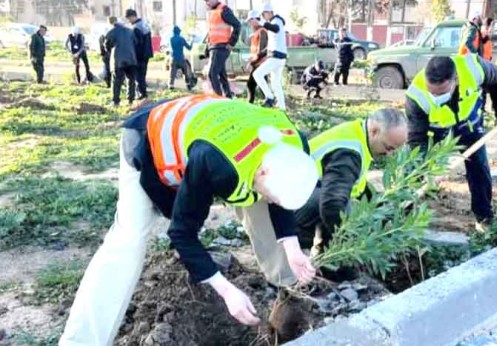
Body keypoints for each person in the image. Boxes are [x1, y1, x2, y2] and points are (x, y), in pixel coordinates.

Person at [59, 95, 319, 346]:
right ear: (262, 170)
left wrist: (293, 248)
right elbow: (183, 233)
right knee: (129, 240)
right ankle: (81, 341)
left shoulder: (295, 148)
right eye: (275, 196)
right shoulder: (215, 161)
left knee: (265, 201)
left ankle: (288, 294)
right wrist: (227, 291)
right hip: (150, 138)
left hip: (213, 124)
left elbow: (282, 201)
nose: (275, 202)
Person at [406, 55, 497, 233]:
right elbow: (416, 140)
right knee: (413, 169)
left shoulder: (474, 68)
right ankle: (402, 214)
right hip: (436, 132)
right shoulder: (416, 95)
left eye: (440, 93)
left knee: (479, 168)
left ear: (455, 80)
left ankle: (484, 219)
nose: (434, 96)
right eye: (431, 91)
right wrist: (423, 167)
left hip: (469, 126)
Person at [295, 109, 408, 275]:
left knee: (351, 202)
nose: (390, 155)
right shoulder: (348, 153)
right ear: (374, 131)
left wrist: (384, 211)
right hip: (285, 208)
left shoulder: (357, 134)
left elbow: (358, 187)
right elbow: (332, 205)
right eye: (388, 148)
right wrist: (352, 244)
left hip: (300, 197)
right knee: (341, 207)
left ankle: (325, 258)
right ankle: (330, 264)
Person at [253, 4, 288, 109]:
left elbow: (275, 29)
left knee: (257, 74)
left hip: (276, 57)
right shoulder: (273, 22)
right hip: (279, 57)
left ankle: (269, 97)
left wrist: (262, 23)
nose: (264, 17)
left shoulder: (277, 20)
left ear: (269, 12)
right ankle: (282, 108)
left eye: (264, 14)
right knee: (276, 84)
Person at [204, 0, 241, 97]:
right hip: (214, 47)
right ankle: (228, 97)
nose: (206, 2)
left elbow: (237, 25)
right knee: (221, 74)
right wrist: (207, 48)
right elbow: (211, 31)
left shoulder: (224, 10)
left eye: (208, 0)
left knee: (212, 74)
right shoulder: (212, 12)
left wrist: (232, 42)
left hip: (221, 47)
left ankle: (218, 99)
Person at [105, 17, 137, 107]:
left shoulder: (111, 32)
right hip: (131, 59)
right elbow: (136, 42)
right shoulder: (130, 31)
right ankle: (130, 99)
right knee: (131, 80)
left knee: (116, 80)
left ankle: (116, 101)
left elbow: (106, 45)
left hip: (118, 60)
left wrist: (109, 51)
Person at [125, 9, 154, 100]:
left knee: (139, 75)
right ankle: (143, 92)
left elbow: (137, 44)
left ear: (133, 16)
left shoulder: (136, 28)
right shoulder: (144, 24)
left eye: (129, 18)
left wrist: (133, 55)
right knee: (143, 74)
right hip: (147, 54)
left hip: (139, 55)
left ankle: (142, 94)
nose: (129, 21)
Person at [246, 9, 268, 104]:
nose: (249, 23)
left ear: (255, 20)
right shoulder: (256, 32)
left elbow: (262, 50)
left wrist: (252, 63)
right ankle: (268, 100)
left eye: (250, 21)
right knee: (260, 84)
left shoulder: (261, 31)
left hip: (260, 63)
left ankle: (250, 103)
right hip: (257, 62)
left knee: (251, 84)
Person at [168, 25, 194, 90]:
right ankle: (188, 84)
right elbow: (189, 48)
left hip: (173, 58)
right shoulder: (182, 39)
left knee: (172, 73)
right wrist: (191, 42)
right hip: (181, 59)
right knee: (185, 71)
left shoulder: (171, 39)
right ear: (179, 32)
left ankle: (171, 85)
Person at [98, 22, 112, 88]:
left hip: (105, 56)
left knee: (107, 70)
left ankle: (108, 83)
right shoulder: (109, 36)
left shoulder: (101, 37)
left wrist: (102, 54)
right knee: (109, 70)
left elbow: (101, 48)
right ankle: (109, 83)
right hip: (109, 56)